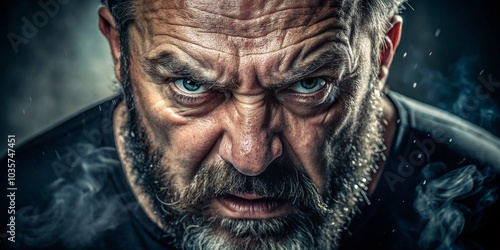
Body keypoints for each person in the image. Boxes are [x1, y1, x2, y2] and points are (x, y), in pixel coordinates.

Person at [2, 0, 499, 249]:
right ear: (118, 49)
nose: (252, 157)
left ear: (381, 55)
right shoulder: (16, 215)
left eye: (308, 86)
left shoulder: (489, 206)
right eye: (191, 86)